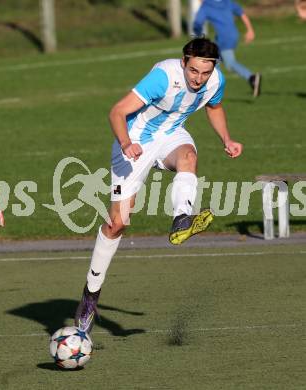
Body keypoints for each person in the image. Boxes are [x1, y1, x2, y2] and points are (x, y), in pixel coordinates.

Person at [75, 37, 243, 334]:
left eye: (205, 72)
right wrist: (126, 142)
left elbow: (213, 108)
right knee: (117, 223)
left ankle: (182, 217)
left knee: (189, 156)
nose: (198, 79)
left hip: (171, 136)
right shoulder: (163, 77)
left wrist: (226, 139)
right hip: (135, 141)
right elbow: (117, 111)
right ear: (183, 62)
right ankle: (90, 295)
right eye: (193, 71)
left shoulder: (216, 80)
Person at [193, 0, 262, 98]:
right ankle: (213, 89)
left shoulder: (206, 6)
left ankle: (252, 78)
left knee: (227, 63)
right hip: (232, 35)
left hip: (223, 38)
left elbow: (198, 23)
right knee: (214, 61)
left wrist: (197, 35)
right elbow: (241, 12)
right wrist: (250, 29)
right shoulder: (226, 1)